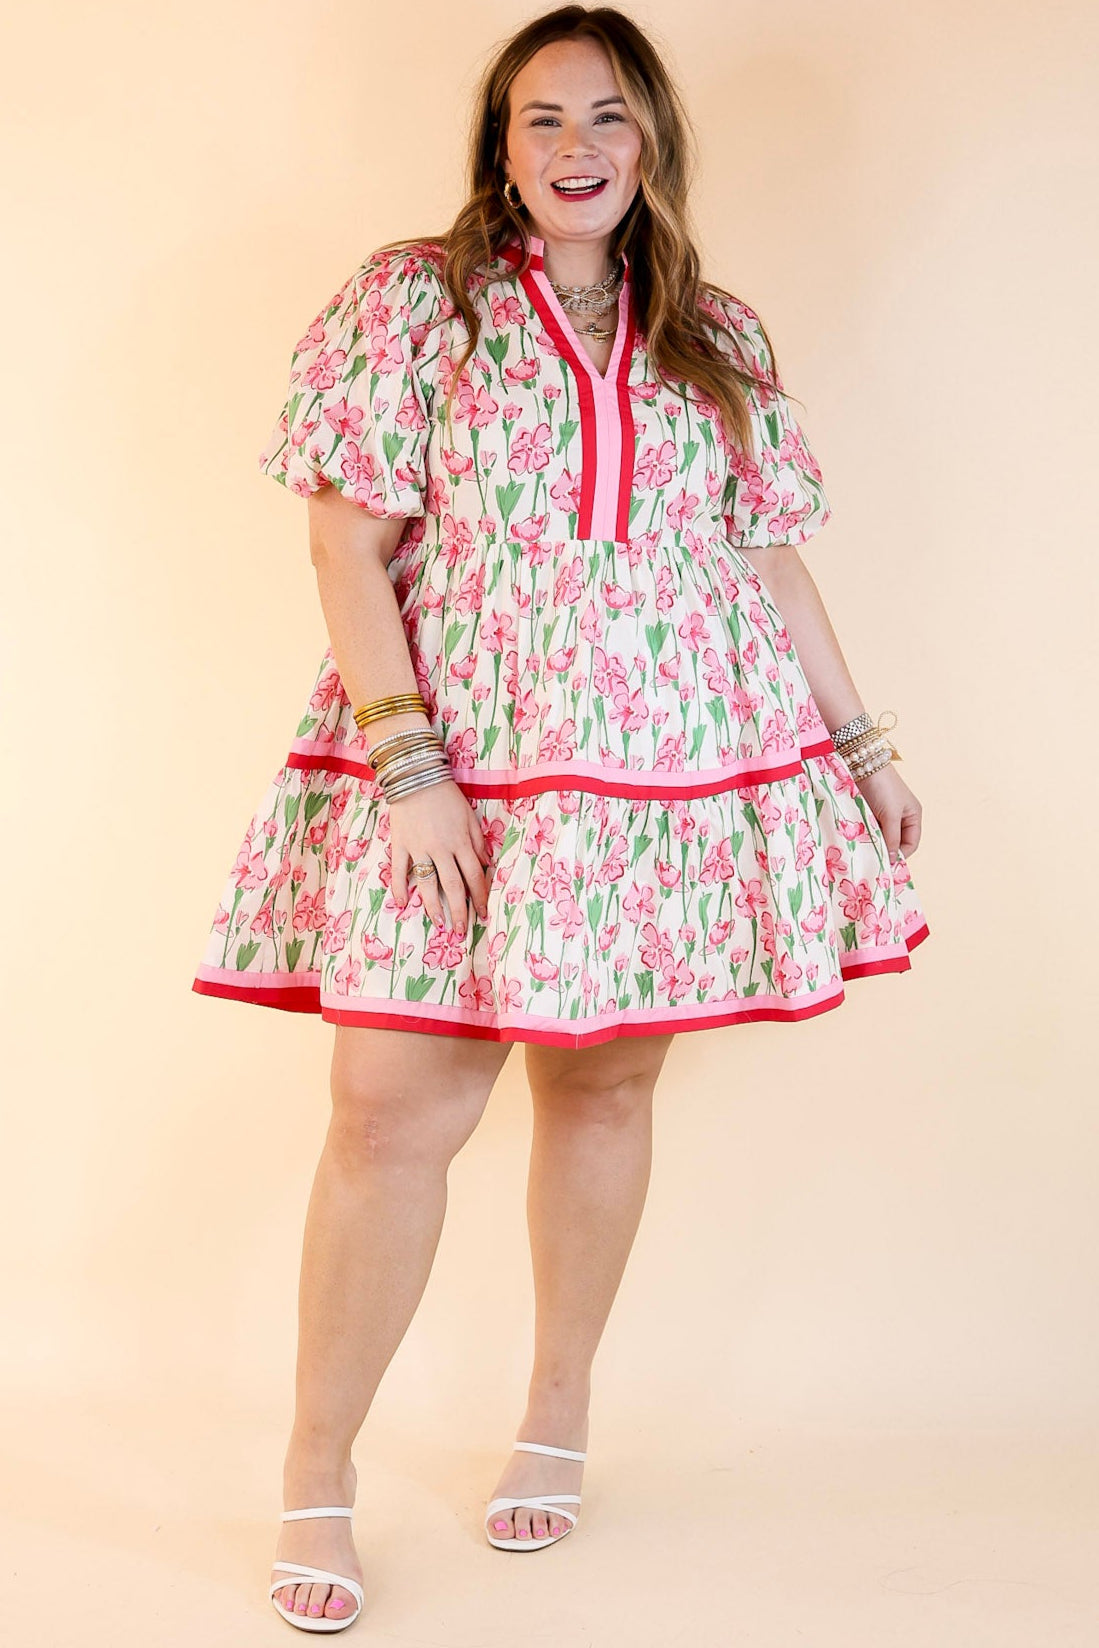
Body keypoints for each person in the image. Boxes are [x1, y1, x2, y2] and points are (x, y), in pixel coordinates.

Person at [192, 3, 929, 1631]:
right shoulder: (418, 299)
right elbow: (343, 543)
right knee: (388, 1114)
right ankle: (318, 1471)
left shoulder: (714, 331)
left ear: (651, 137)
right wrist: (408, 765)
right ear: (501, 143)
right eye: (543, 118)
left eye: (607, 115)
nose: (577, 147)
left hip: (667, 761)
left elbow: (762, 556)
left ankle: (558, 1407)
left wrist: (862, 745)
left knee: (601, 1092)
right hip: (462, 749)